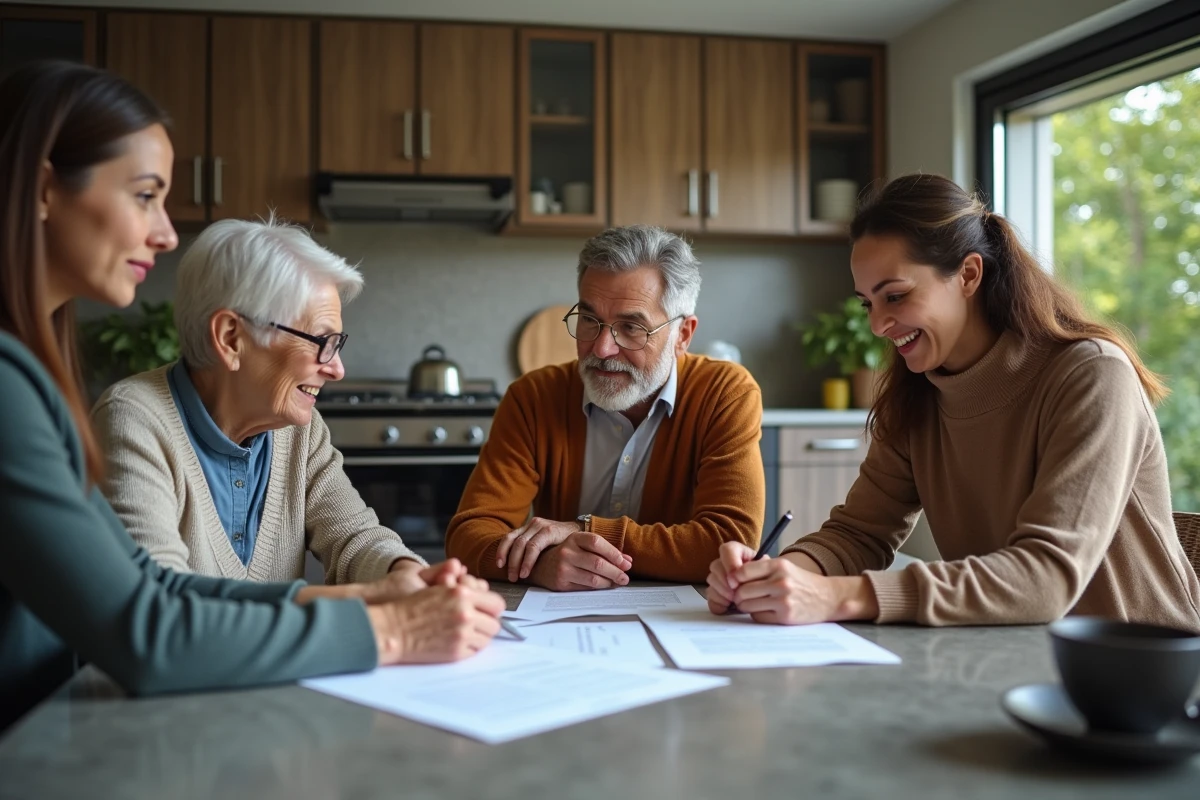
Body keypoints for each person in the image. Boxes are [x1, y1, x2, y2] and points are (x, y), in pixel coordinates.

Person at [0, 61, 503, 732]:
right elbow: (147, 633)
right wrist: (393, 632)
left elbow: (154, 593)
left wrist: (391, 588)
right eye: (145, 195)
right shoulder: (46, 397)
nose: (167, 233)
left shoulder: (29, 376)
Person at [707, 173, 1200, 632]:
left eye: (895, 296)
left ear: (967, 275)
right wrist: (779, 575)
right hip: (1013, 657)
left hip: (1145, 676)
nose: (878, 324)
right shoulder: (919, 394)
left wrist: (840, 596)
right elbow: (859, 533)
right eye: (868, 303)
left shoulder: (1091, 374)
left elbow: (1048, 576)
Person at [92, 217, 434, 591]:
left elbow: (354, 537)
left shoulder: (302, 430)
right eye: (321, 341)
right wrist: (348, 604)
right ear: (231, 338)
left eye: (338, 343)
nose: (337, 369)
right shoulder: (133, 420)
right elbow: (160, 599)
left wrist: (407, 573)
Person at [446, 225, 766, 589]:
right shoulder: (532, 397)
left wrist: (583, 532)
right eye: (589, 320)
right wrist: (542, 563)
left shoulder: (725, 393)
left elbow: (729, 541)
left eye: (631, 327)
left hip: (682, 623)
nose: (601, 349)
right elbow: (469, 536)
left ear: (682, 336)